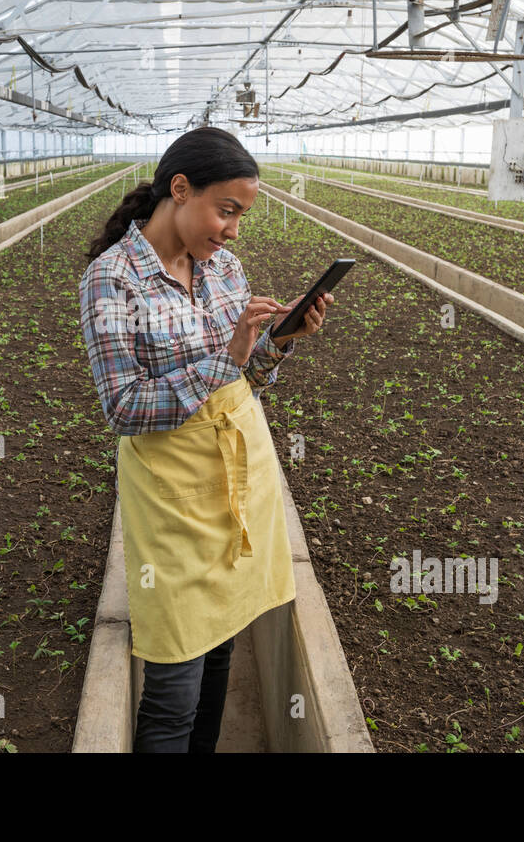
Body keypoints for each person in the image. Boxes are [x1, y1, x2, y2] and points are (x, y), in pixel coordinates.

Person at [78, 127, 333, 752]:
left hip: (238, 481)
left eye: (241, 216)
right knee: (174, 684)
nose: (233, 230)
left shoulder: (224, 269)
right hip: (172, 497)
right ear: (180, 188)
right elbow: (124, 406)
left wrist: (278, 342)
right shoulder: (113, 281)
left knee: (221, 647)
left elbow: (247, 375)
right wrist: (226, 359)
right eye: (227, 212)